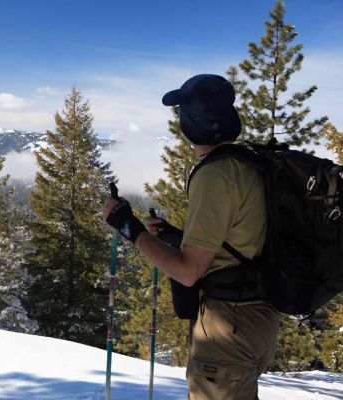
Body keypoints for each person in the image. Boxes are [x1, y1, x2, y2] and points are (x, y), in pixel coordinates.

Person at [102, 74, 279, 400]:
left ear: (190, 122)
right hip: (256, 318)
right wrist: (175, 235)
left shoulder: (216, 175)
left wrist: (128, 226)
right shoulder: (248, 163)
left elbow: (188, 271)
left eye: (180, 112)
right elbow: (241, 239)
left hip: (228, 327)